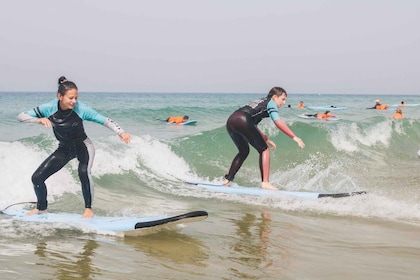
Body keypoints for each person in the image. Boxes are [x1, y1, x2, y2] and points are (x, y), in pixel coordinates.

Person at [17, 76, 132, 218]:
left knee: (83, 172)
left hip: (83, 146)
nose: (74, 101)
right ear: (60, 96)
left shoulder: (81, 109)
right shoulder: (48, 108)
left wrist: (121, 132)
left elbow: (104, 120)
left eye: (76, 98)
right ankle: (42, 208)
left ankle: (88, 210)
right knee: (37, 178)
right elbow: (21, 116)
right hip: (64, 148)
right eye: (71, 98)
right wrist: (37, 120)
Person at [223, 86, 305, 190]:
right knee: (264, 150)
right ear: (275, 97)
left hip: (232, 120)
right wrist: (294, 137)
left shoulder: (262, 101)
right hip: (243, 119)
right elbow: (278, 122)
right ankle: (265, 183)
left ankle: (228, 180)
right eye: (283, 99)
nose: (284, 103)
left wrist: (266, 139)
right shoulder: (271, 103)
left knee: (243, 151)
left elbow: (252, 125)